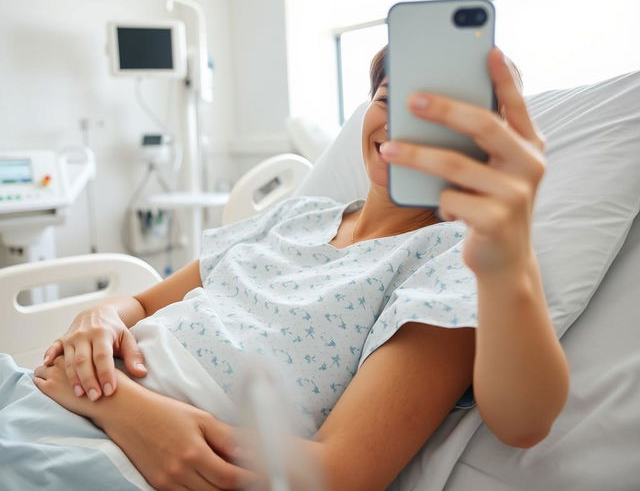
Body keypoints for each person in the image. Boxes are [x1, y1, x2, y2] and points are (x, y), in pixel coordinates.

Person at [28, 47, 569, 491]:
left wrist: (115, 403)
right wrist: (99, 316)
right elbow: (144, 303)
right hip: (52, 393)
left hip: (122, 449)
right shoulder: (297, 215)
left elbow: (339, 473)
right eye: (387, 99)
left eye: (434, 113)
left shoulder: (453, 260)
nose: (401, 121)